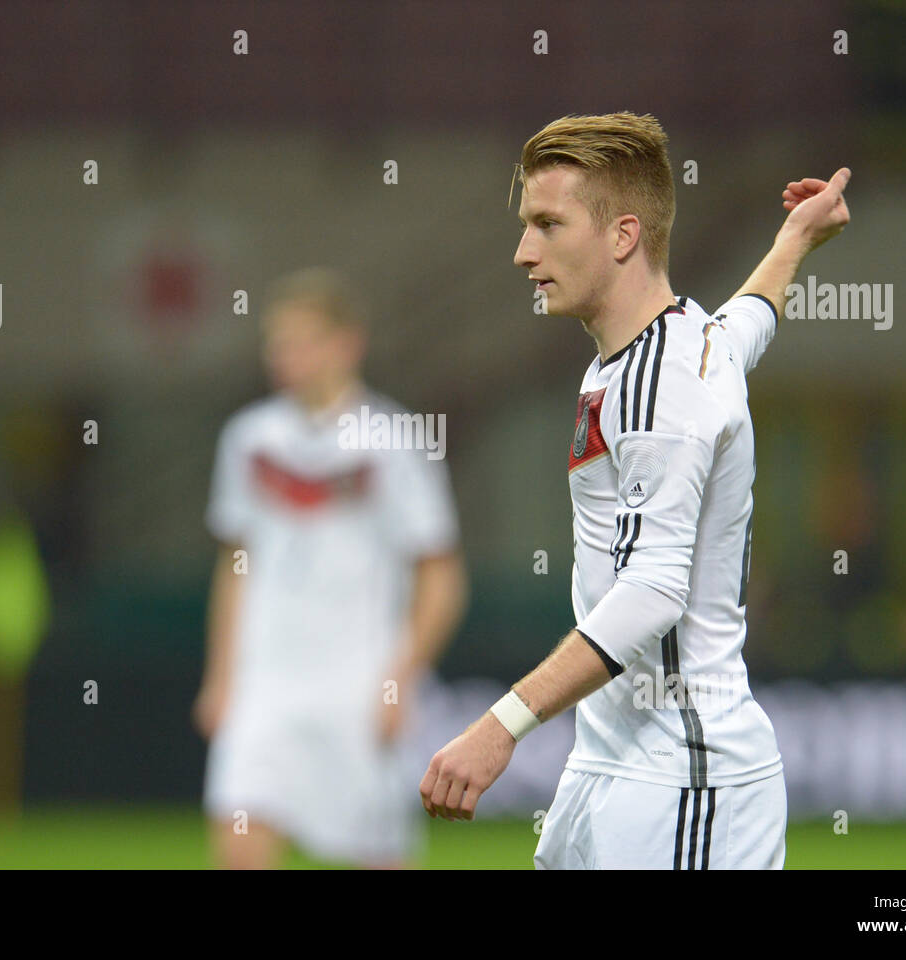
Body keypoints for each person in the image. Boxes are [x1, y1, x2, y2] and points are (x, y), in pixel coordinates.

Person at [419, 112, 851, 869]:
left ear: (622, 237)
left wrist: (500, 728)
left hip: (684, 775)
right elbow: (746, 323)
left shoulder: (660, 387)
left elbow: (653, 592)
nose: (524, 253)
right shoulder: (684, 343)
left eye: (548, 225)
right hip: (618, 760)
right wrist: (796, 241)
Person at [195, 267, 468, 868]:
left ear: (347, 343)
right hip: (264, 685)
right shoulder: (248, 439)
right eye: (277, 342)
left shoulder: (395, 441)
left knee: (372, 852)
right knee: (238, 841)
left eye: (300, 340)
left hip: (358, 686)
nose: (283, 356)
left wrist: (404, 676)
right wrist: (221, 675)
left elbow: (442, 576)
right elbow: (235, 565)